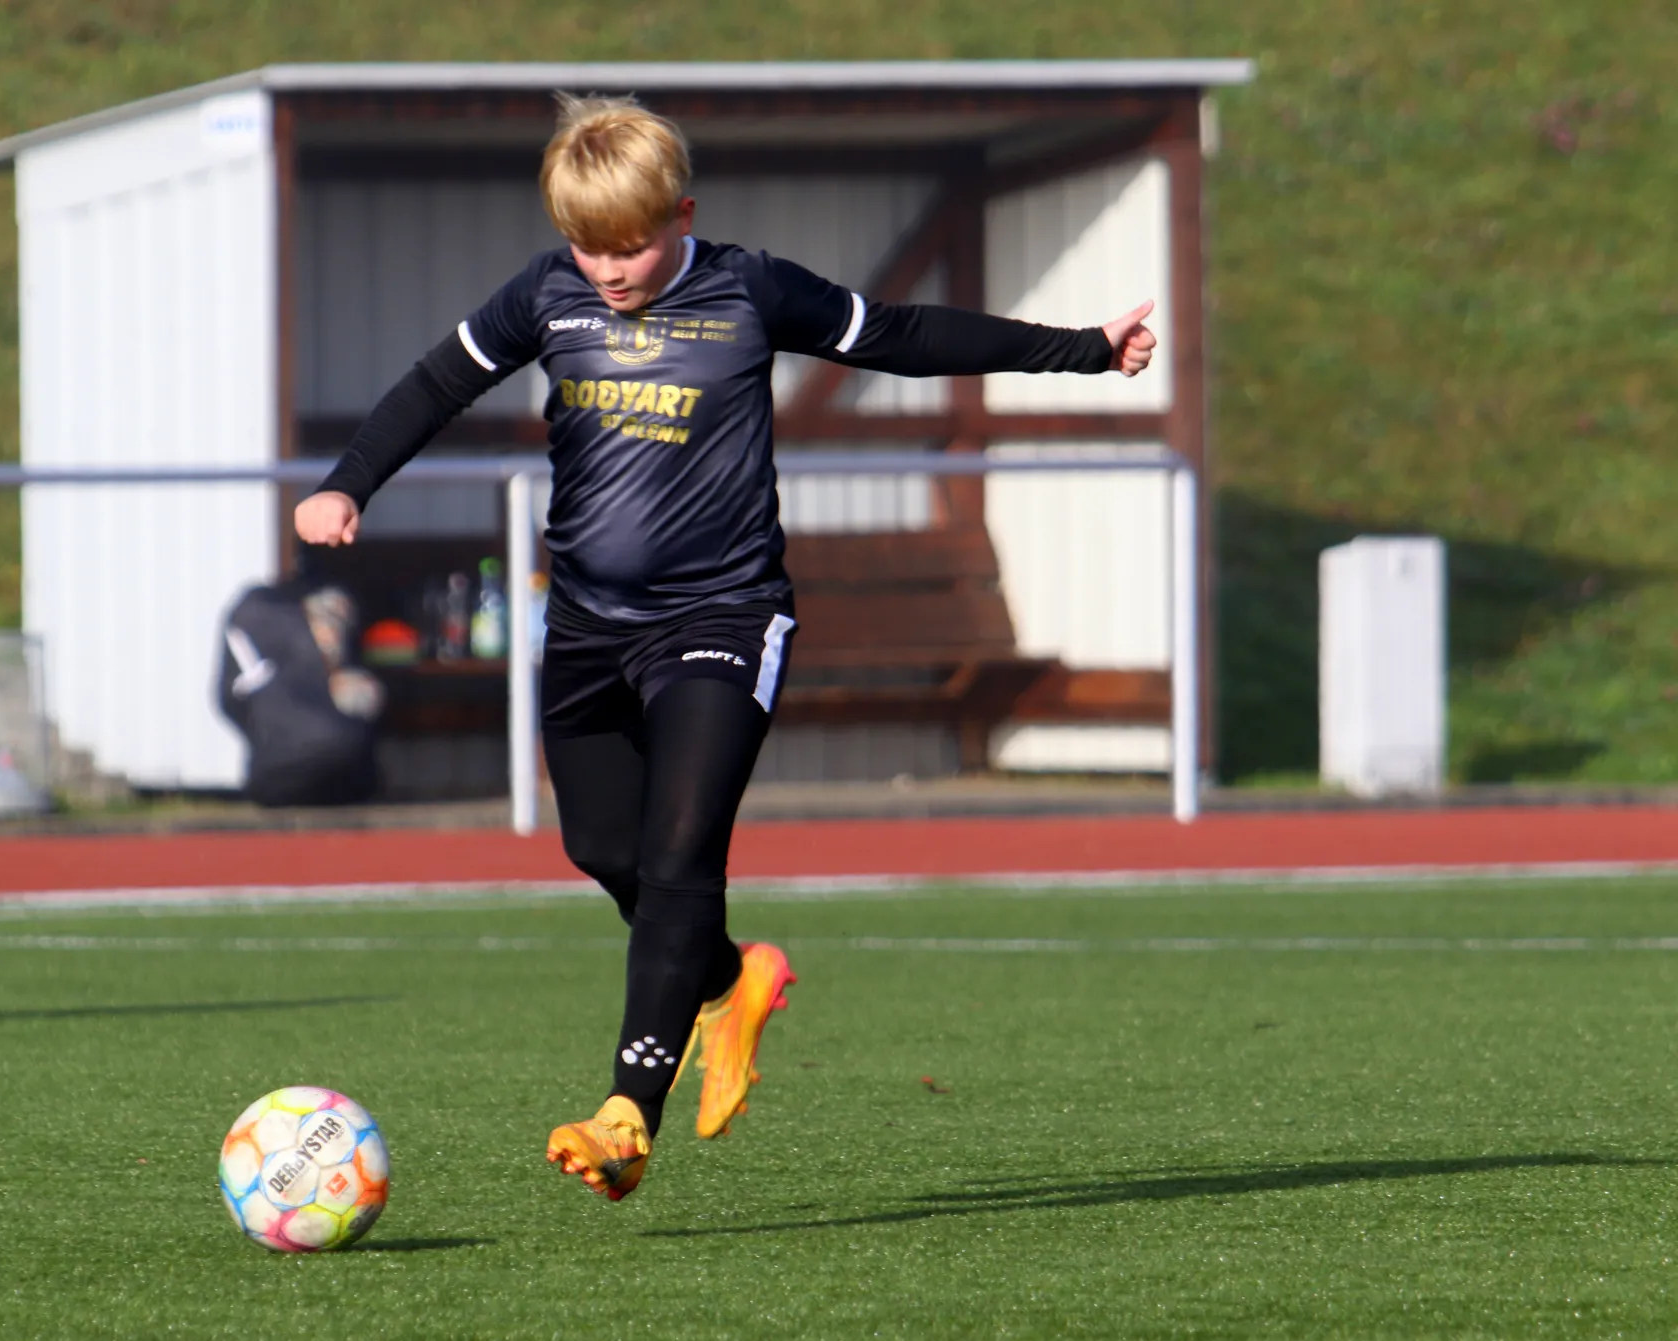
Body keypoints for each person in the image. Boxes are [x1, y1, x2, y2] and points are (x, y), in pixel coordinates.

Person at [296, 96, 1155, 1198]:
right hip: (587, 629)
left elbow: (902, 336)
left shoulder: (750, 289)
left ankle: (625, 1114)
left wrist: (1083, 350)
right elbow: (435, 383)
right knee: (603, 851)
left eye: (630, 244)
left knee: (680, 853)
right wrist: (348, 484)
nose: (609, 269)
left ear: (682, 215)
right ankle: (730, 977)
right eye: (588, 246)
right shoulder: (544, 295)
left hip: (723, 617)